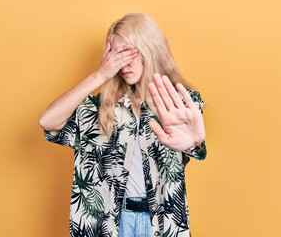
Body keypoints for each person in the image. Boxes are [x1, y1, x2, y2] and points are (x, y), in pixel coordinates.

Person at [39, 13, 207, 237]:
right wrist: (100, 75)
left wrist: (195, 144)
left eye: (128, 52)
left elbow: (192, 142)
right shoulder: (101, 109)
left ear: (149, 48)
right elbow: (47, 121)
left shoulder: (177, 103)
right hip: (111, 224)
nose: (122, 63)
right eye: (115, 56)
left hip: (160, 223)